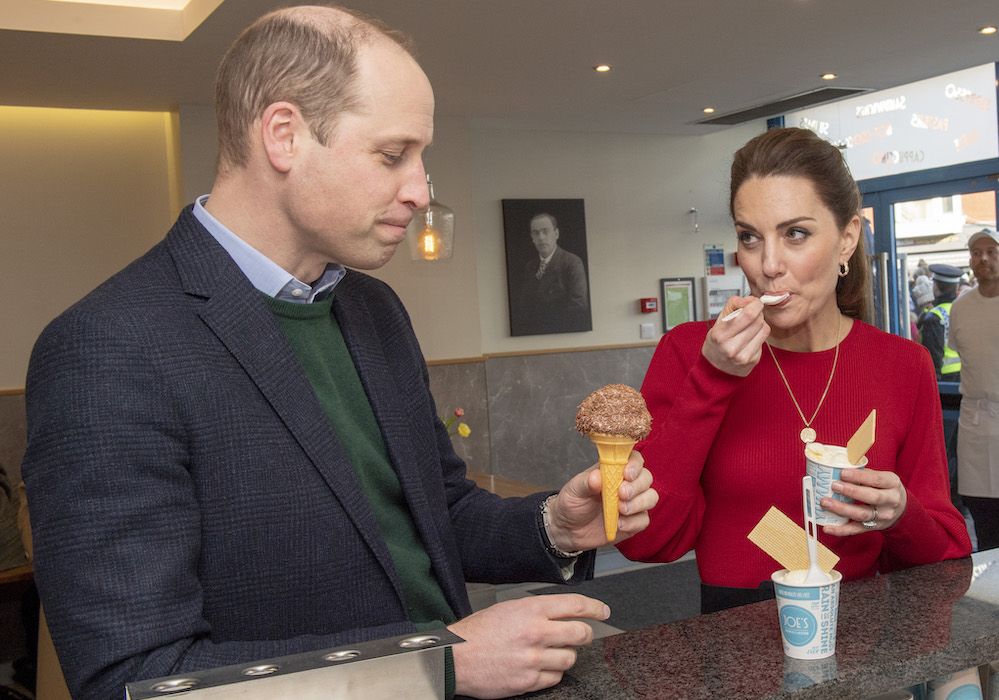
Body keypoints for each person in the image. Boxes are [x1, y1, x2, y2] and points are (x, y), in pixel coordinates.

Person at [20, 6, 658, 699]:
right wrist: (438, 664)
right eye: (393, 155)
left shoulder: (373, 310)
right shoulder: (104, 349)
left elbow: (436, 512)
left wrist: (551, 526)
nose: (419, 190)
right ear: (284, 135)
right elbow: (133, 679)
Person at [618, 127, 970, 613]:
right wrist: (713, 379)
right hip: (731, 643)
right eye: (749, 238)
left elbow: (948, 556)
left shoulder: (903, 364)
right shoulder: (688, 352)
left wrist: (900, 514)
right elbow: (645, 542)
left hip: (867, 638)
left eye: (795, 234)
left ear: (847, 238)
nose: (768, 264)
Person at [949, 228, 999, 551]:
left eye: (992, 252)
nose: (984, 259)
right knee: (983, 520)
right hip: (976, 426)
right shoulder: (960, 308)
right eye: (977, 253)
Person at [513, 212, 591, 335]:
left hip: (562, 332)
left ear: (556, 234)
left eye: (545, 231)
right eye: (536, 233)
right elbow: (524, 306)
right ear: (532, 238)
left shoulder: (572, 262)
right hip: (532, 334)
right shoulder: (530, 267)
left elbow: (579, 305)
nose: (541, 237)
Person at [918, 263, 963, 381]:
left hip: (944, 379)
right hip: (965, 375)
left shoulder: (934, 317)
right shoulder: (964, 310)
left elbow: (933, 355)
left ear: (936, 288)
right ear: (956, 288)